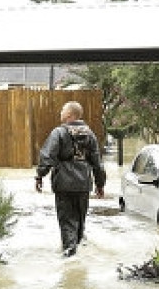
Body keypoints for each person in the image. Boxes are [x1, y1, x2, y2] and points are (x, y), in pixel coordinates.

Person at [35, 101, 106, 257]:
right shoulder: (90, 135)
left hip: (63, 184)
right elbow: (97, 163)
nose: (60, 112)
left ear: (69, 115)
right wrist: (100, 184)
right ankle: (77, 258)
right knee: (80, 222)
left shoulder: (59, 133)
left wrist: (40, 175)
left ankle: (69, 256)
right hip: (83, 185)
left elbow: (47, 156)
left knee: (67, 222)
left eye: (62, 110)